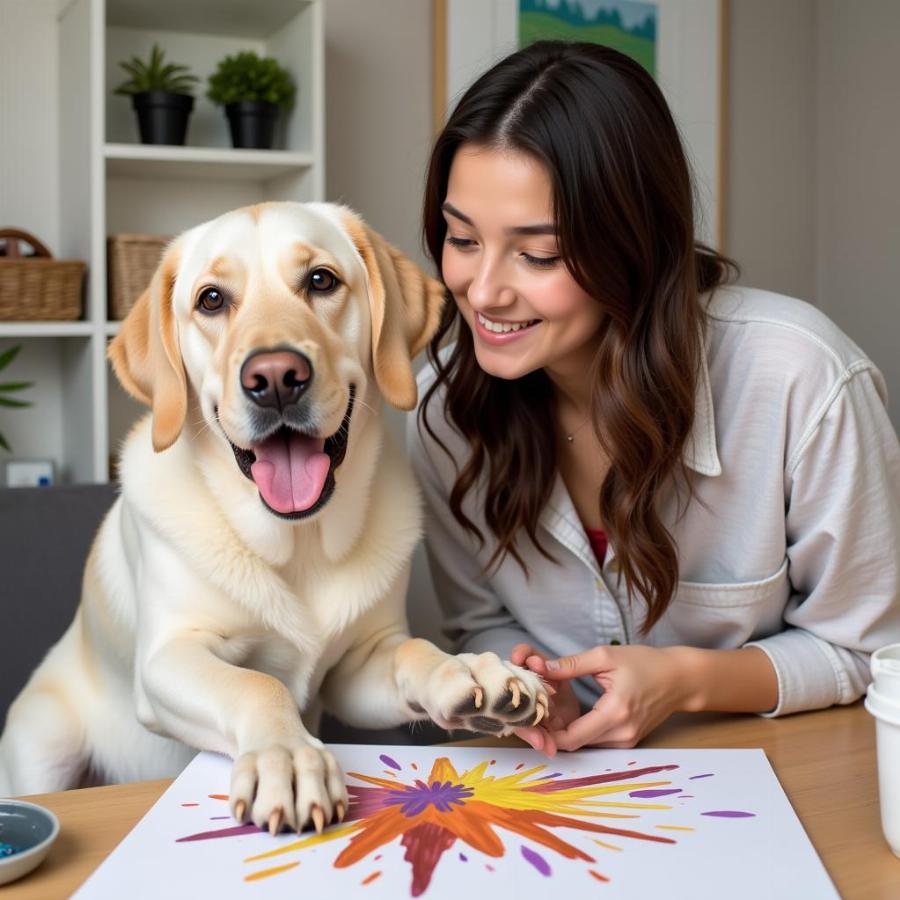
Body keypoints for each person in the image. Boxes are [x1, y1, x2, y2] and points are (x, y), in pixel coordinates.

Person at [406, 40, 900, 756]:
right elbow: (478, 625)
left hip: (776, 783)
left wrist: (686, 679)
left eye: (537, 254)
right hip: (559, 790)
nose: (483, 292)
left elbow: (869, 650)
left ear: (632, 243)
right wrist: (522, 687)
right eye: (461, 239)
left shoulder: (801, 378)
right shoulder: (446, 414)